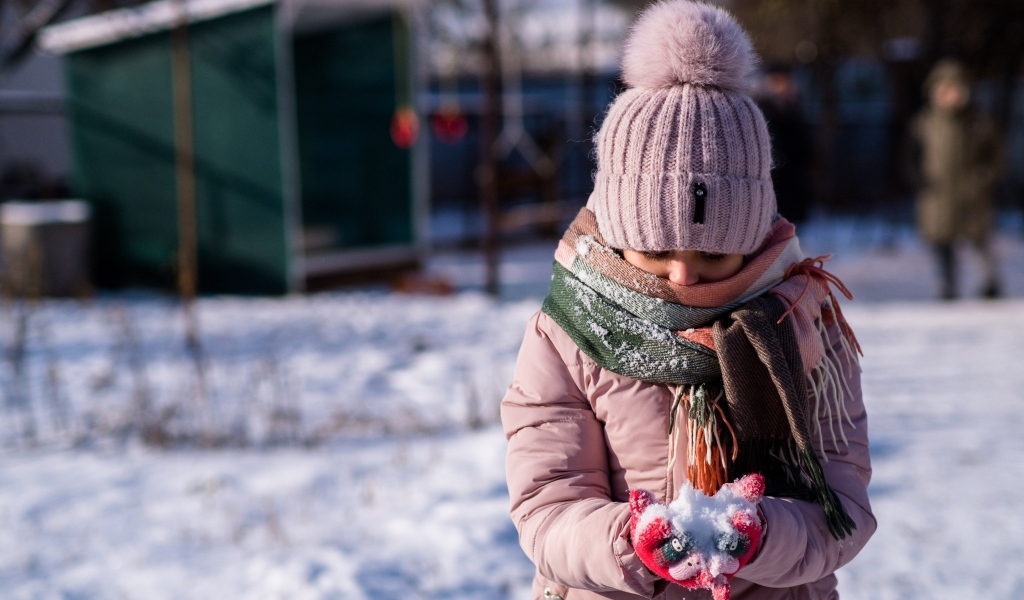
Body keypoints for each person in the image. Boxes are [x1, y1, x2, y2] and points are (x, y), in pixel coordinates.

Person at [500, 2, 875, 599]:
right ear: (618, 234)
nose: (683, 277)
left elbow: (842, 506)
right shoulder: (567, 334)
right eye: (654, 253)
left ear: (753, 239)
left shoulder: (804, 323)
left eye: (713, 256)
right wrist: (630, 540)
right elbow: (548, 505)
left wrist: (761, 536)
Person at [906, 59, 1005, 300]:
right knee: (942, 243)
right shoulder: (924, 123)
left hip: (971, 193)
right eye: (944, 90)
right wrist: (920, 179)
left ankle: (989, 282)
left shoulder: (979, 122)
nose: (949, 96)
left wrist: (983, 178)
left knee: (979, 240)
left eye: (955, 90)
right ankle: (947, 285)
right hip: (937, 195)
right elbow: (909, 156)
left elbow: (997, 155)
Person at [757, 65, 814, 225]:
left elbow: (805, 151)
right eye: (778, 83)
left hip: (793, 187)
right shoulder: (761, 112)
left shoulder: (796, 113)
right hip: (771, 187)